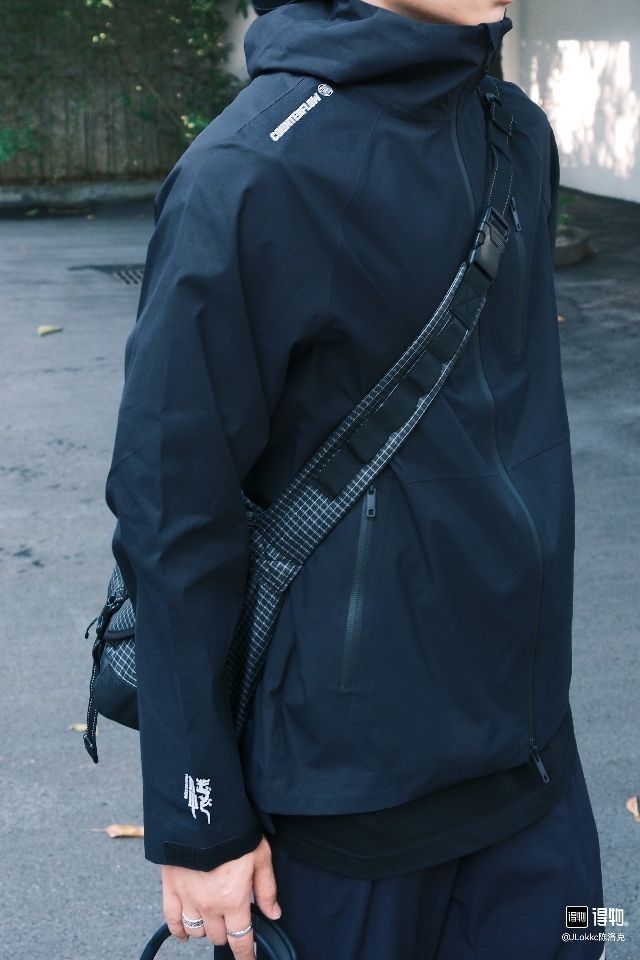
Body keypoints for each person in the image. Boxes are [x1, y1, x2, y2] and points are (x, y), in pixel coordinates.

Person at [104, 0, 605, 957]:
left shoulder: (517, 133)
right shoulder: (249, 171)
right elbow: (170, 508)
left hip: (535, 765)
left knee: (594, 931)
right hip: (343, 810)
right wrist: (197, 815)